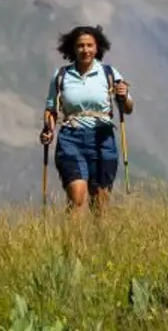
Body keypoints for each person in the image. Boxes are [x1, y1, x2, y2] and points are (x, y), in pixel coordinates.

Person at [39, 24, 133, 213]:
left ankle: (99, 241)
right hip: (70, 138)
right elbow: (51, 109)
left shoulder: (109, 74)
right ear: (72, 49)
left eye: (90, 45)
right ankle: (73, 242)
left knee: (100, 201)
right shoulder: (61, 76)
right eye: (80, 46)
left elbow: (127, 108)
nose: (85, 50)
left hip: (103, 138)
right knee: (77, 196)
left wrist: (123, 96)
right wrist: (48, 129)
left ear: (97, 48)